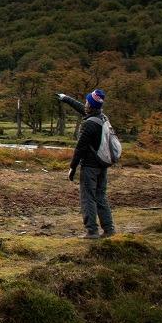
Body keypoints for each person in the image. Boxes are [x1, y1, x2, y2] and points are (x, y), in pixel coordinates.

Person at [69, 89, 116, 239]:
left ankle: (92, 231)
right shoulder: (101, 118)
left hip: (89, 167)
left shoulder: (89, 124)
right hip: (102, 165)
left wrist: (72, 167)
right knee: (101, 196)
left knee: (88, 198)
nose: (85, 103)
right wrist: (66, 99)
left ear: (90, 104)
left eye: (87, 101)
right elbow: (81, 108)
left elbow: (80, 148)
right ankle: (109, 229)